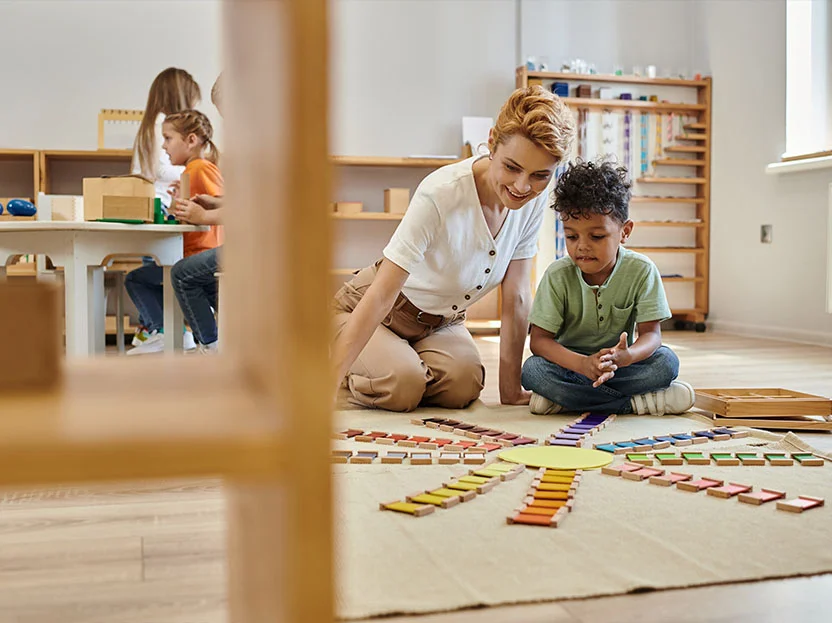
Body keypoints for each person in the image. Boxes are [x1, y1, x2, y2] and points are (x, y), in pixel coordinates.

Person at [331, 85, 576, 412]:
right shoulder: (441, 192)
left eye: (539, 175)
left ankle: (399, 364)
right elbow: (381, 294)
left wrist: (510, 389)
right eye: (512, 167)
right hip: (377, 309)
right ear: (491, 142)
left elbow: (516, 294)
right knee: (402, 386)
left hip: (441, 322)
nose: (522, 186)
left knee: (463, 386)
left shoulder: (533, 199)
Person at [521, 159, 695, 416]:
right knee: (533, 371)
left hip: (619, 367)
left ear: (625, 231)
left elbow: (652, 335)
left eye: (597, 236)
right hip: (569, 364)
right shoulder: (557, 275)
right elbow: (539, 342)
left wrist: (628, 356)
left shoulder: (642, 270)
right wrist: (582, 364)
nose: (581, 246)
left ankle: (565, 400)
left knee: (666, 363)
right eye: (571, 236)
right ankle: (636, 404)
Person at [126, 110, 223, 355]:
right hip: (193, 251)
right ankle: (197, 339)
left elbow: (222, 200)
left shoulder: (200, 168)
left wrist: (200, 209)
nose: (164, 145)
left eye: (168, 138)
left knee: (165, 277)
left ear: (191, 140)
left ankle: (204, 341)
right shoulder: (191, 171)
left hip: (200, 251)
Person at [131, 67, 202, 349]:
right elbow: (159, 167)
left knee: (153, 274)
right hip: (159, 207)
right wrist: (192, 169)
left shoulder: (150, 123)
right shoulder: (162, 124)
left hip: (155, 205)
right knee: (162, 273)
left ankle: (155, 328)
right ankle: (164, 330)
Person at [169, 76, 225, 353]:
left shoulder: (200, 167)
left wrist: (203, 216)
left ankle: (211, 345)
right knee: (194, 278)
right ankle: (216, 342)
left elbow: (258, 208)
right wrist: (214, 204)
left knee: (181, 274)